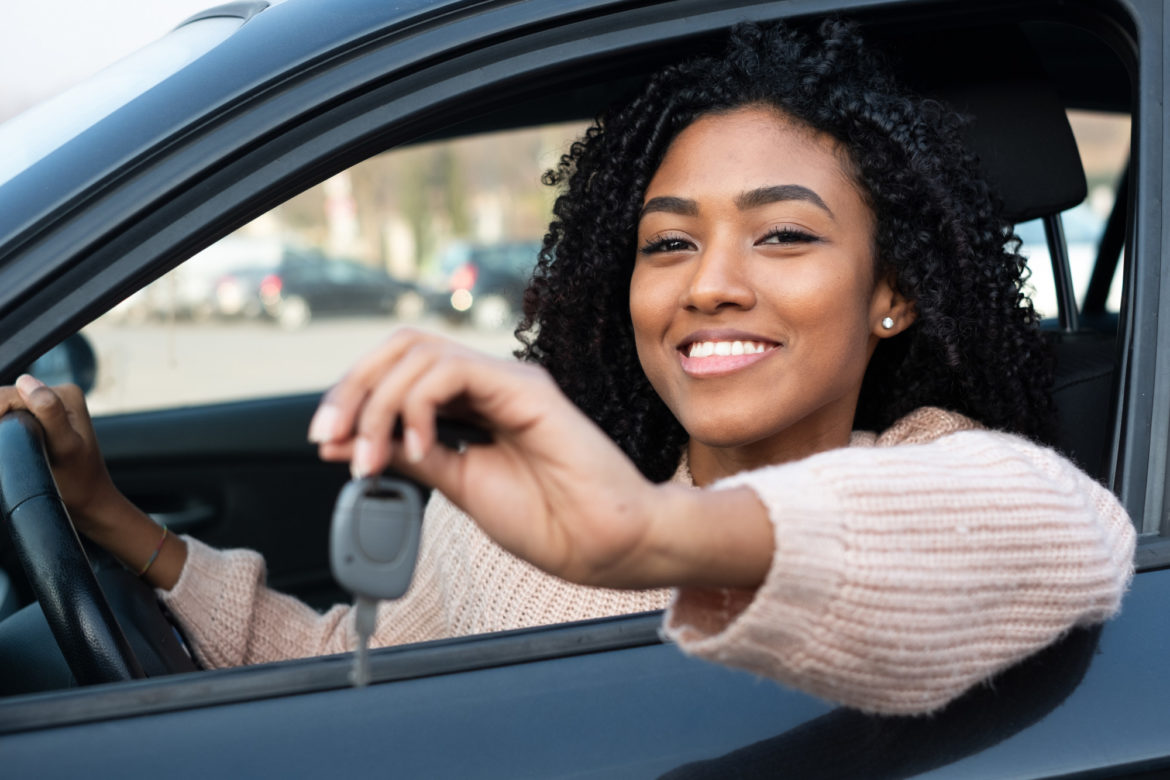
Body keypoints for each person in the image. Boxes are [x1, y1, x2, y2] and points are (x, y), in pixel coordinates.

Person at [0, 21, 1134, 715]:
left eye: (784, 236)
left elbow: (1063, 534)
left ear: (891, 295)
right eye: (669, 243)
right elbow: (341, 669)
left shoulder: (928, 470)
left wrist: (648, 540)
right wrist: (114, 521)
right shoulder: (514, 509)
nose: (709, 285)